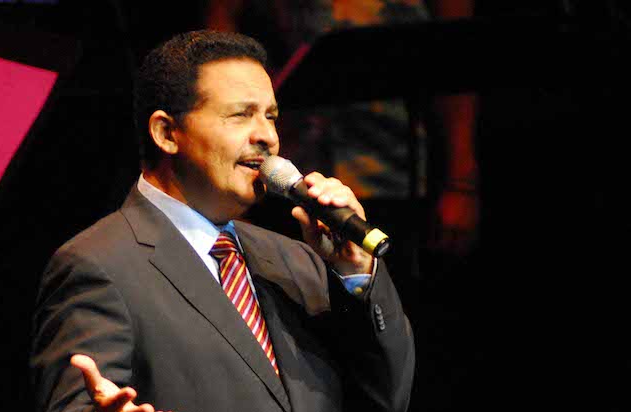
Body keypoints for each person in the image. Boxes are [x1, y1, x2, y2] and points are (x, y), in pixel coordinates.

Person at [29, 30, 414, 412]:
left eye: (270, 115)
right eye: (240, 115)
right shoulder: (98, 264)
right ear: (167, 133)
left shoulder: (293, 260)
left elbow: (387, 402)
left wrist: (355, 272)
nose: (266, 136)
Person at [205, 0, 480, 257]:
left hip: (395, 170)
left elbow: (457, 63)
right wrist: (230, 195)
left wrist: (461, 183)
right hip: (286, 174)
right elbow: (221, 29)